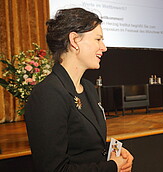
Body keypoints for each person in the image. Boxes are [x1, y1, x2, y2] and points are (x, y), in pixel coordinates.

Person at [25, 8, 133, 172]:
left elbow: (84, 149)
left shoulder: (88, 88)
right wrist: (111, 167)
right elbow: (55, 169)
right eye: (98, 39)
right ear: (74, 40)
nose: (103, 47)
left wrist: (111, 155)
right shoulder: (48, 94)